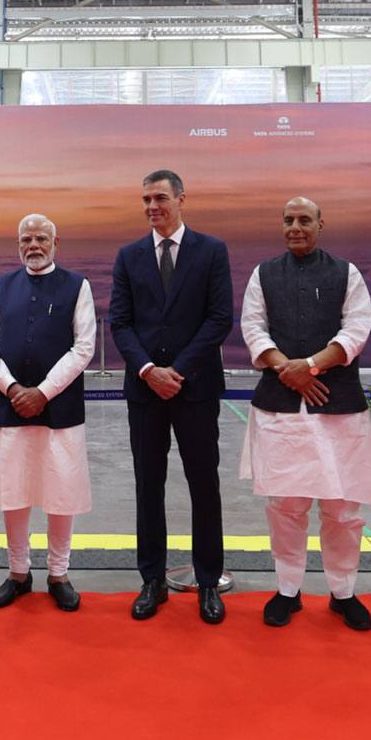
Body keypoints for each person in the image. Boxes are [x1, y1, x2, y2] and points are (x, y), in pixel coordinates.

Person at [238, 197, 371, 632]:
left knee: (342, 508)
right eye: (288, 220)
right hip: (281, 407)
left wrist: (311, 366)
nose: (295, 227)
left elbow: (357, 329)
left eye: (304, 220)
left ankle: (343, 592)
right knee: (286, 506)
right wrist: (287, 369)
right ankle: (288, 590)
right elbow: (252, 327)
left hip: (338, 407)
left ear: (321, 225)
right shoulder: (263, 273)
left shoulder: (346, 272)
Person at [109, 169, 233, 624]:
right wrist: (147, 370)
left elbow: (219, 319)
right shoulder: (129, 255)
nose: (151, 206)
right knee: (148, 486)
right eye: (145, 199)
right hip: (144, 392)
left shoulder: (211, 251)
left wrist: (176, 371)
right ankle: (152, 580)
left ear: (182, 199)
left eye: (160, 197)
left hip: (194, 389)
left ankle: (207, 582)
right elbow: (120, 322)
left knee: (205, 486)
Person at [0, 213, 95, 611]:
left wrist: (42, 392)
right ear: (18, 244)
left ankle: (58, 573)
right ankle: (18, 572)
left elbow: (84, 348)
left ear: (56, 244)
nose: (34, 246)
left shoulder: (78, 286)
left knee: (61, 491)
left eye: (41, 238)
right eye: (26, 239)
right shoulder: (1, 285)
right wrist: (11, 388)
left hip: (58, 408)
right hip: (9, 405)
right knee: (14, 489)